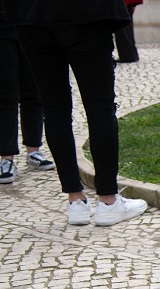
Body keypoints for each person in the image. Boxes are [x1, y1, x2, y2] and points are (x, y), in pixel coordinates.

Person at [2, 0, 148, 226]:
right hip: (84, 14)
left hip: (32, 15)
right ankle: (108, 200)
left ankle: (76, 200)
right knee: (99, 107)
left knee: (55, 109)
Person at [0, 5, 55, 184]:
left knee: (33, 92)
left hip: (31, 23)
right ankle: (6, 158)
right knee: (6, 94)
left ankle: (33, 150)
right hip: (3, 28)